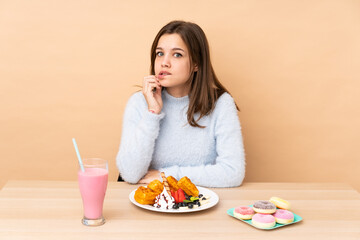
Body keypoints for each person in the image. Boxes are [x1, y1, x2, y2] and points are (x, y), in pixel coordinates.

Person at [116, 20, 245, 187]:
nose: (164, 62)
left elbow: (232, 172)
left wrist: (168, 176)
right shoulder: (139, 102)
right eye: (160, 53)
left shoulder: (221, 104)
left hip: (199, 204)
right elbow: (130, 174)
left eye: (177, 54)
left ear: (196, 64)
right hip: (150, 205)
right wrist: (152, 114)